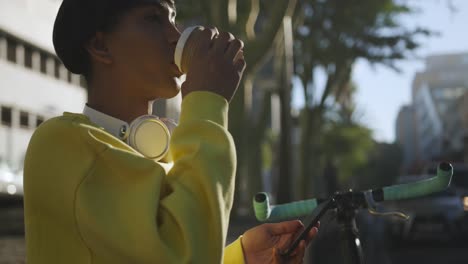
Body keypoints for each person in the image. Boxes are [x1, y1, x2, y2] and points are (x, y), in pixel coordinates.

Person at [23, 0, 318, 263]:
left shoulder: (170, 154)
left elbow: (163, 250)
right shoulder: (60, 141)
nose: (176, 35)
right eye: (153, 18)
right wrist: (206, 102)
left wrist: (239, 257)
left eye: (174, 18)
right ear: (101, 46)